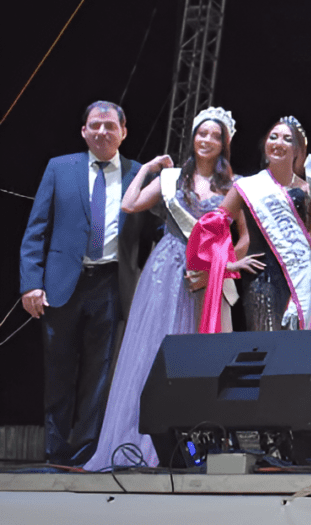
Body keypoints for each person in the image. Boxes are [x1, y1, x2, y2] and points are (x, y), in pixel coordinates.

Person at [85, 107, 254, 470]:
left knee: (199, 356)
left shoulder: (233, 186)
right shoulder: (172, 179)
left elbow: (243, 239)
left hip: (206, 281)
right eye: (201, 134)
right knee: (153, 350)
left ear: (224, 143)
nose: (207, 140)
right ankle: (140, 440)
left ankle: (193, 443)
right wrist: (147, 169)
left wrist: (220, 269)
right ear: (193, 138)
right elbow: (129, 205)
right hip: (167, 271)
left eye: (215, 135)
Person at [19, 101, 145, 466]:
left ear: (123, 131)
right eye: (95, 125)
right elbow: (36, 229)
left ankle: (87, 451)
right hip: (62, 284)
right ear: (84, 131)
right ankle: (55, 450)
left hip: (110, 284)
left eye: (109, 126)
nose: (102, 132)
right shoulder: (60, 168)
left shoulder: (139, 173)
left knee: (99, 372)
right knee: (58, 369)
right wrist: (31, 283)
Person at [188, 117, 311, 333]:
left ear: (297, 150)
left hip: (304, 279)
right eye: (273, 137)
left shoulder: (310, 190)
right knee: (266, 346)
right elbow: (213, 226)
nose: (278, 142)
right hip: (262, 281)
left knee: (299, 349)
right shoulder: (247, 187)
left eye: (287, 139)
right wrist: (226, 265)